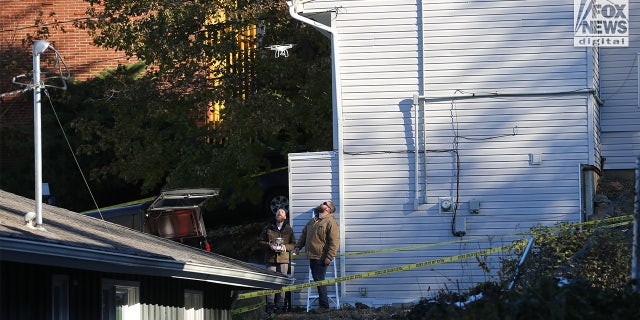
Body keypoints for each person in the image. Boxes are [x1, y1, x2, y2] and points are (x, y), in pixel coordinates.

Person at [294, 200, 339, 313]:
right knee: (318, 280)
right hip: (312, 256)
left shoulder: (330, 222)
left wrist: (329, 256)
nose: (321, 203)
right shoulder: (313, 221)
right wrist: (298, 247)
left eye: (324, 203)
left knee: (319, 280)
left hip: (321, 257)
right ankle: (324, 305)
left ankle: (324, 307)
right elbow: (304, 235)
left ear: (328, 209)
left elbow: (335, 241)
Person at [258, 207, 296, 314]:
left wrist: (286, 247)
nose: (279, 213)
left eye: (282, 212)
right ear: (275, 216)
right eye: (278, 212)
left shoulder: (289, 229)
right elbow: (260, 242)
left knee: (281, 282)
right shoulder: (268, 228)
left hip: (283, 259)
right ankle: (270, 306)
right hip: (270, 259)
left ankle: (280, 305)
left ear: (285, 217)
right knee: (270, 282)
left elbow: (293, 244)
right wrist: (269, 245)